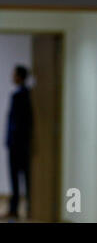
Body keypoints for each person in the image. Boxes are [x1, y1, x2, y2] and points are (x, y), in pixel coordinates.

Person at [4, 65, 33, 219]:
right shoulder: (23, 94)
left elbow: (18, 123)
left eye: (14, 74)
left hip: (18, 145)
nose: (12, 76)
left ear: (20, 77)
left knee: (19, 178)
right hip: (19, 144)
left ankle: (18, 209)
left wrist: (13, 141)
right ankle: (20, 208)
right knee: (20, 179)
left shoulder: (21, 96)